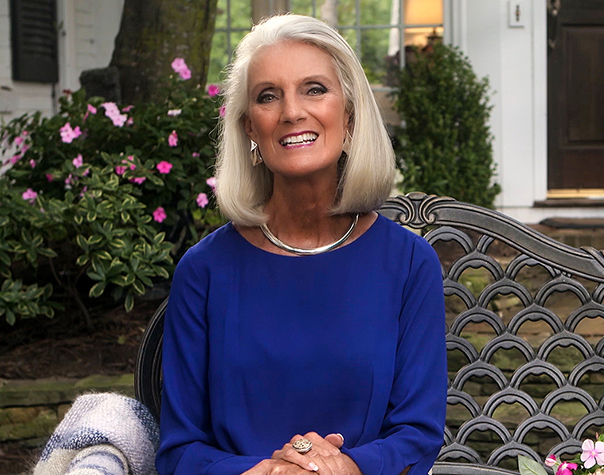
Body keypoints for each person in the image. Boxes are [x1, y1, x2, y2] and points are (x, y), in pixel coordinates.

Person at [155, 13, 447, 475]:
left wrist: (342, 469)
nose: (292, 111)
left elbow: (417, 435)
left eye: (314, 89)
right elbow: (180, 449)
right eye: (268, 96)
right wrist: (272, 474)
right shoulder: (204, 270)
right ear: (250, 128)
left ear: (348, 115)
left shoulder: (409, 263)